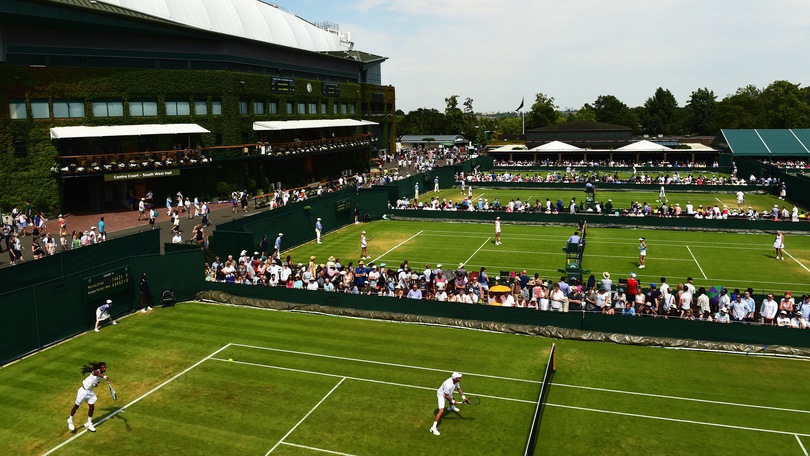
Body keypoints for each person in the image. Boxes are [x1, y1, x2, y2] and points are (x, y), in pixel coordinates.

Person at [67, 361, 112, 432]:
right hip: (83, 391)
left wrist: (95, 384)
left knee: (92, 407)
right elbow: (97, 374)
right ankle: (70, 420)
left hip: (90, 392)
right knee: (76, 406)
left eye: (105, 367)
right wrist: (104, 376)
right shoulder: (96, 371)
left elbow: (96, 383)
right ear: (100, 368)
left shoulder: (100, 376)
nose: (104, 368)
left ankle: (89, 423)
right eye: (103, 367)